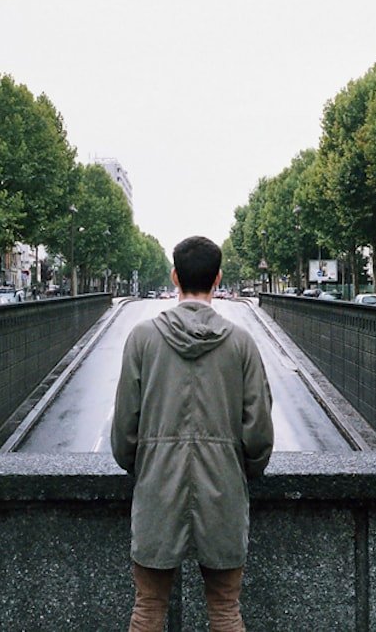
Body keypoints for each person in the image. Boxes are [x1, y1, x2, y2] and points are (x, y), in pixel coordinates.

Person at [112, 235, 274, 632]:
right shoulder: (241, 344)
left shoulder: (142, 339)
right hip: (223, 493)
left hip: (157, 491)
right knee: (224, 610)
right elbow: (258, 434)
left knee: (148, 608)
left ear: (174, 276)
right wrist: (239, 470)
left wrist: (148, 464)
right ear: (218, 279)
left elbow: (123, 433)